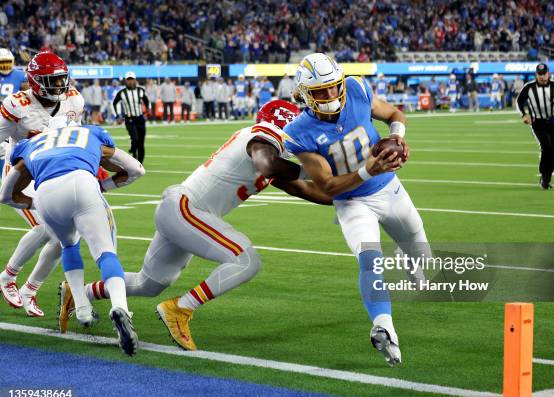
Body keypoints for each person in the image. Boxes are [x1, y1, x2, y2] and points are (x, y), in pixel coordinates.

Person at [61, 101, 332, 351]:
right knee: (246, 259)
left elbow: (312, 192)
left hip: (181, 211)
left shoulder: (270, 155)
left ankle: (79, 293)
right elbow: (268, 163)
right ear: (283, 123)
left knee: (149, 283)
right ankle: (181, 309)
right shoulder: (262, 137)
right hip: (186, 208)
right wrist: (314, 169)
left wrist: (356, 186)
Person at [285, 53, 430, 366]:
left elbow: (394, 113)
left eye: (333, 87)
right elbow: (327, 186)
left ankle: (409, 257)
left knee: (423, 254)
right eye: (321, 91)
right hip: (351, 201)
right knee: (370, 261)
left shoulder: (357, 89)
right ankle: (384, 327)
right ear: (306, 93)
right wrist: (368, 171)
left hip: (390, 189)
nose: (330, 95)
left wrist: (396, 137)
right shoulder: (300, 131)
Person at [0, 121, 144, 355]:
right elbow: (136, 169)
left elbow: (6, 195)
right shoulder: (89, 133)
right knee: (105, 252)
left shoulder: (31, 144)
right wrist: (102, 186)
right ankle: (120, 308)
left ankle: (83, 309)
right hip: (81, 183)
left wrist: (36, 203)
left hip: (45, 194)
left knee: (68, 244)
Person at [0, 51, 84, 317]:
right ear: (36, 82)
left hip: (53, 174)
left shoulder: (73, 100)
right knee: (46, 227)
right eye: (52, 81)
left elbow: (73, 139)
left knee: (68, 237)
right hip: (22, 177)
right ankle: (7, 277)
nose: (59, 86)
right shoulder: (18, 104)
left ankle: (30, 290)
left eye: (61, 79)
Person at [516, 63, 554, 189]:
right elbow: (518, 101)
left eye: (544, 73)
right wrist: (524, 115)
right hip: (537, 123)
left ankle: (546, 179)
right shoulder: (529, 87)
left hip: (553, 122)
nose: (542, 76)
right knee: (546, 147)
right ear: (536, 75)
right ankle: (543, 172)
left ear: (548, 73)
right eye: (539, 74)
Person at [113, 72, 149, 163]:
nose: (130, 82)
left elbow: (146, 101)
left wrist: (147, 111)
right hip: (129, 119)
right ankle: (133, 151)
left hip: (140, 118)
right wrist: (118, 116)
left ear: (135, 80)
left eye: (132, 79)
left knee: (141, 142)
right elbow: (115, 103)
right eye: (128, 80)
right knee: (135, 138)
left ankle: (140, 162)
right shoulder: (122, 93)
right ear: (126, 81)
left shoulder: (141, 90)